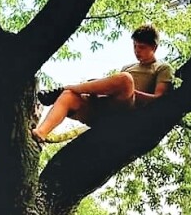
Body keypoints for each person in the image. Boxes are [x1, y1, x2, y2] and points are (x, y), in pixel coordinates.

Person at [32, 24, 173, 141]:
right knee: (69, 95)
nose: (137, 51)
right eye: (135, 46)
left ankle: (67, 87)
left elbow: (158, 99)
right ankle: (41, 132)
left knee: (125, 79)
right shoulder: (128, 67)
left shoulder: (162, 68)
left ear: (153, 47)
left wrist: (131, 91)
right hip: (103, 110)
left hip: (127, 111)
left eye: (141, 47)